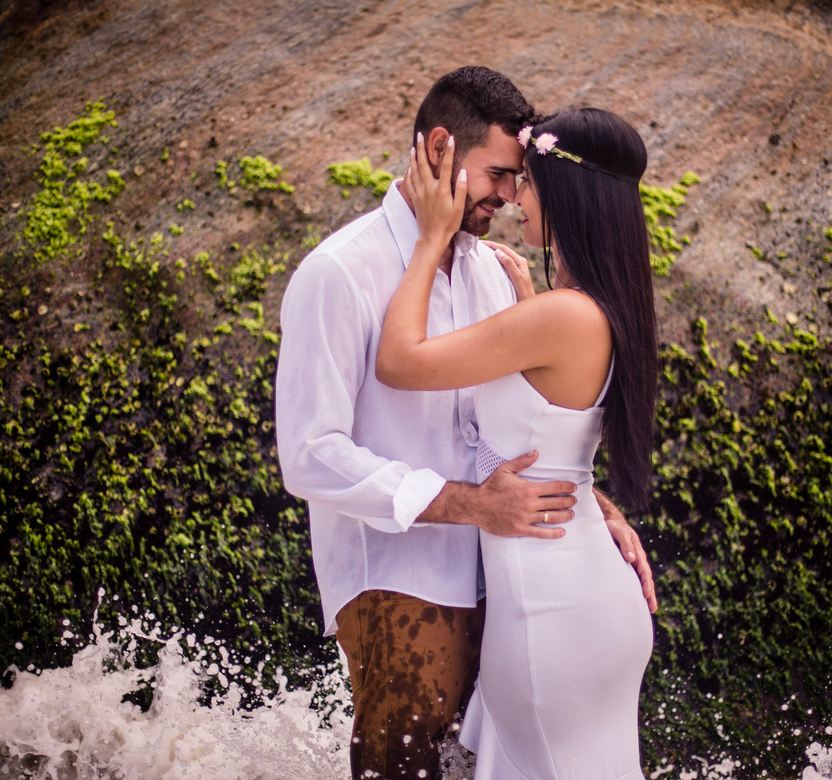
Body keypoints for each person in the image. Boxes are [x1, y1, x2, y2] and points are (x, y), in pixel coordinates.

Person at [275, 68, 655, 780]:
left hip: (505, 584)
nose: (511, 198)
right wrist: (469, 504)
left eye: (521, 181)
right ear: (441, 149)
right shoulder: (339, 272)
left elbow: (512, 426)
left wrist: (589, 505)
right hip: (400, 581)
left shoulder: (492, 274)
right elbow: (309, 454)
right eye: (501, 176)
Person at [376, 107, 657, 779]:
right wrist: (607, 512)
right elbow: (552, 432)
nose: (513, 198)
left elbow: (400, 361)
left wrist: (428, 240)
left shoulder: (562, 317)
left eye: (527, 181)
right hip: (577, 594)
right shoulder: (595, 305)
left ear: (567, 194)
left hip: (550, 613)